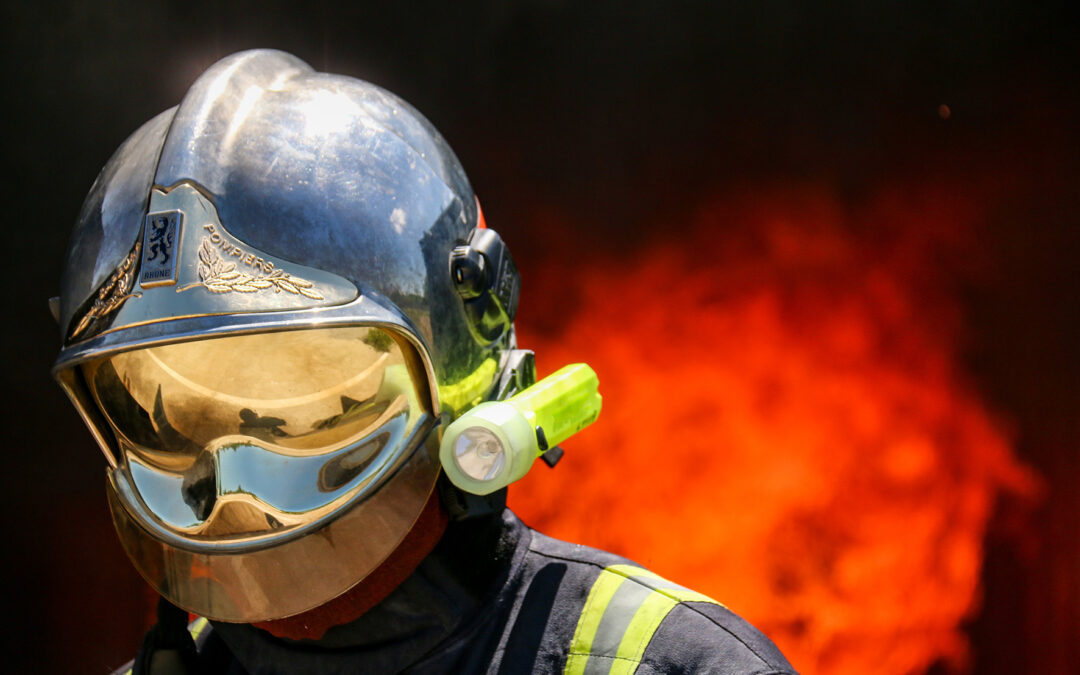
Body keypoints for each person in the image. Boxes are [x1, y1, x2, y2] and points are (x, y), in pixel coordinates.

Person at [52, 49, 797, 675]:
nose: (235, 491)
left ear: (454, 368)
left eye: (298, 395)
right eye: (171, 410)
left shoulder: (675, 666)